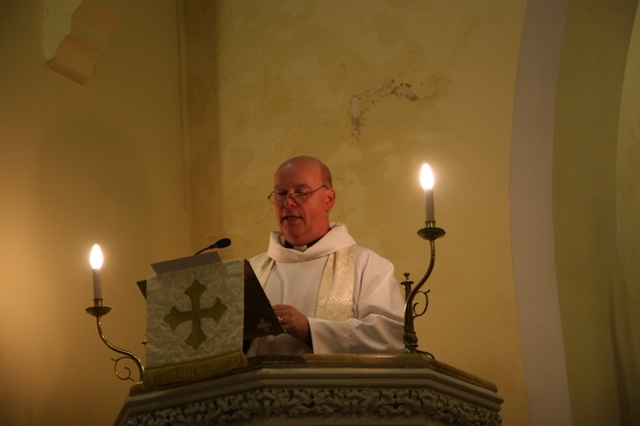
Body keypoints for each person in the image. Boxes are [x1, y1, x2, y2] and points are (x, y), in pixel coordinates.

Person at [246, 156, 405, 356]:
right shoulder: (250, 273)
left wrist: (310, 330)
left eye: (301, 193)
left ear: (328, 199)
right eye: (280, 193)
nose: (288, 202)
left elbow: (390, 337)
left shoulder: (367, 266)